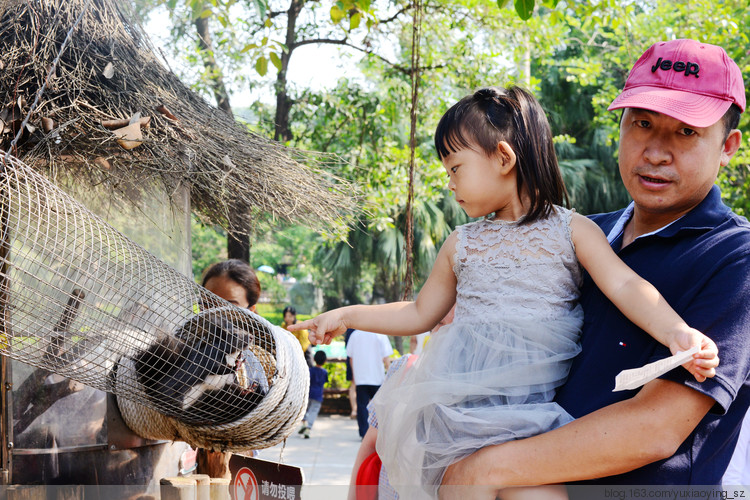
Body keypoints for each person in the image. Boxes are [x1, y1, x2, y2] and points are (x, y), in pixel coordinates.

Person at [289, 83, 718, 499]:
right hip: (457, 411)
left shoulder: (573, 230)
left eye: (455, 168)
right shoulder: (463, 241)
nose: (450, 184)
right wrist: (347, 315)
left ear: (503, 157)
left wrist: (677, 333)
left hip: (531, 417)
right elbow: (420, 312)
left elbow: (626, 285)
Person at [439, 39, 750, 494]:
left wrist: (483, 470)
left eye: (686, 132)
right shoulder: (576, 234)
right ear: (619, 127)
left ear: (728, 147)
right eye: (642, 123)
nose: (657, 152)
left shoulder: (734, 258)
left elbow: (655, 429)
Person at [198, 259, 262, 477]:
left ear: (251, 311)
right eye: (208, 304)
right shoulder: (178, 354)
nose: (216, 315)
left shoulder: (255, 364)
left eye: (229, 307)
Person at [346, 329, 393, 439]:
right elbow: (386, 357)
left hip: (361, 377)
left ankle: (364, 433)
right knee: (379, 407)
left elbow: (350, 357)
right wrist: (389, 373)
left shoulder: (355, 335)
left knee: (362, 406)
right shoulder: (380, 334)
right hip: (377, 377)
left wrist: (354, 375)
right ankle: (379, 433)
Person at [298, 349, 329, 439]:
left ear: (314, 359)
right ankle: (309, 427)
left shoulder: (310, 370)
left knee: (305, 409)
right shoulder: (324, 372)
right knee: (313, 411)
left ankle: (303, 423)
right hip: (318, 395)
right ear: (325, 361)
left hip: (309, 393)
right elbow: (325, 382)